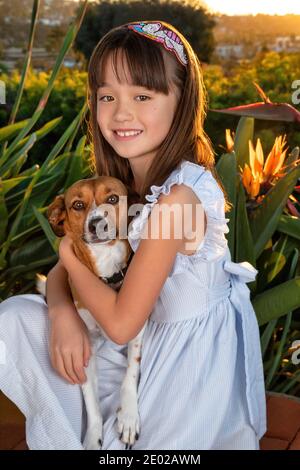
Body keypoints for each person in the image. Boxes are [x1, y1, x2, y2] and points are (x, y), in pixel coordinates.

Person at [0, 20, 266, 450]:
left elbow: (122, 324)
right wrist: (60, 311)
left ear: (182, 103)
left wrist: (67, 251)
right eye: (108, 97)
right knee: (15, 317)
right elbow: (73, 275)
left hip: (183, 372)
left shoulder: (178, 198)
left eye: (142, 96)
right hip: (137, 348)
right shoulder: (127, 191)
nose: (122, 113)